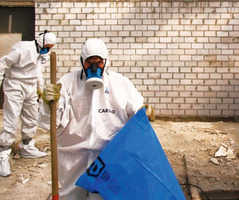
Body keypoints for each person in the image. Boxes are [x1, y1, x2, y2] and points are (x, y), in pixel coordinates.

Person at [39, 38, 155, 200]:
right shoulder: (66, 83)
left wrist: (144, 113)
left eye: (98, 62)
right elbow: (49, 123)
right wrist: (48, 104)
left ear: (106, 62)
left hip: (107, 156)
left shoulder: (120, 84)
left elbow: (137, 110)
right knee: (71, 196)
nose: (93, 67)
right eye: (89, 62)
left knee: (102, 196)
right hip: (73, 156)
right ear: (82, 62)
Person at [0, 30, 57, 177]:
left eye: (50, 47)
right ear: (40, 42)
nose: (48, 49)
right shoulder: (23, 48)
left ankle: (27, 146)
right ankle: (4, 152)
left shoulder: (44, 54)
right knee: (12, 119)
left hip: (30, 86)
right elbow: (3, 63)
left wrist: (40, 90)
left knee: (31, 118)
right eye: (47, 46)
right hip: (15, 84)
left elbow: (39, 73)